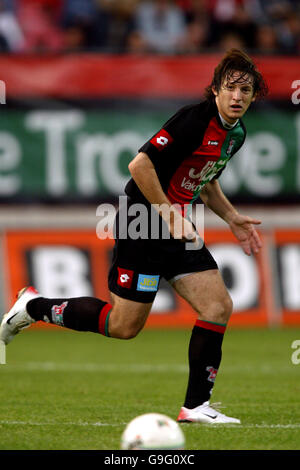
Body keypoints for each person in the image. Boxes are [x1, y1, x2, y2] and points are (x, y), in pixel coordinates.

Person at [0, 49, 268, 424]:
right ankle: (33, 307)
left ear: (255, 95)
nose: (238, 96)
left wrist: (232, 217)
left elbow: (206, 179)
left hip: (177, 225)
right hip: (142, 220)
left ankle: (195, 407)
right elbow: (139, 165)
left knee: (217, 306)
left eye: (246, 89)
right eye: (231, 88)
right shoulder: (192, 121)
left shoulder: (235, 134)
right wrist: (169, 215)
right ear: (215, 90)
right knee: (123, 326)